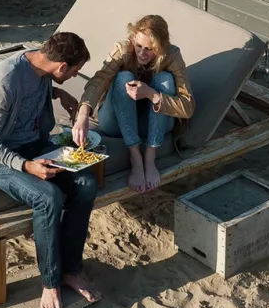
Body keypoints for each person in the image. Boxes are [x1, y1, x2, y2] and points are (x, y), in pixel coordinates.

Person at [0, 31, 98, 308]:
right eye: (74, 71)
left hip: (35, 145)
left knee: (86, 182)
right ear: (61, 66)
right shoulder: (5, 80)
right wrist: (26, 166)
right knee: (49, 197)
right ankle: (50, 283)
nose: (74, 75)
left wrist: (57, 93)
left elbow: (32, 90)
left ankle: (72, 271)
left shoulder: (42, 62)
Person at [72, 15, 195, 193]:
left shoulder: (172, 55)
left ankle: (150, 157)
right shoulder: (123, 50)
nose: (142, 54)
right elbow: (99, 81)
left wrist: (152, 94)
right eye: (138, 46)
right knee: (123, 77)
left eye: (149, 49)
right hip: (117, 123)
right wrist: (83, 115)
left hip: (152, 125)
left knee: (165, 79)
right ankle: (136, 158)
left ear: (161, 48)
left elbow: (188, 107)